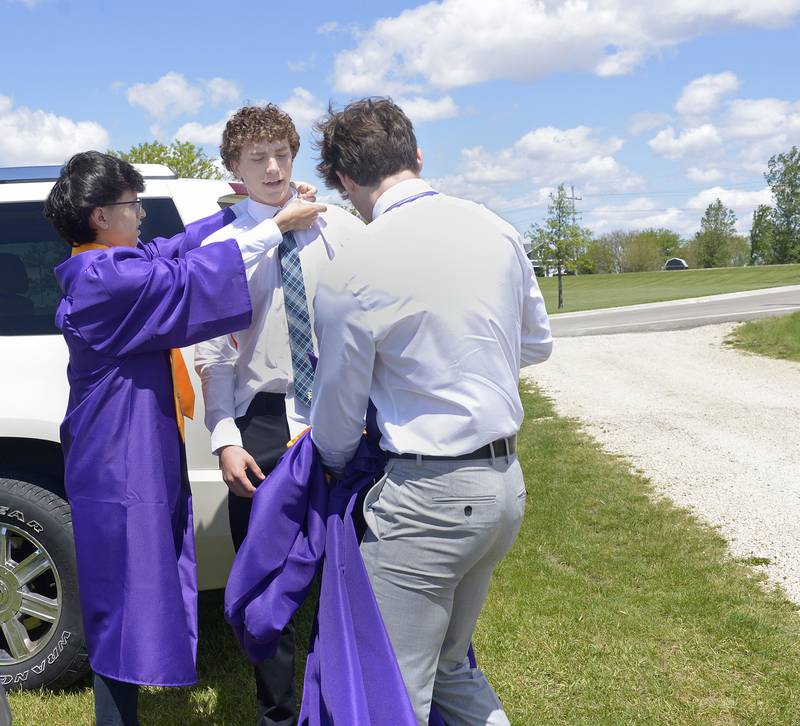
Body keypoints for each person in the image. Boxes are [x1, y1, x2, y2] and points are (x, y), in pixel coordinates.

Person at [46, 150, 323, 726]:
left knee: (134, 588)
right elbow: (186, 275)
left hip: (133, 452)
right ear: (101, 215)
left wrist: (243, 208)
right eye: (133, 204)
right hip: (118, 463)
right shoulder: (101, 279)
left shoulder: (111, 262)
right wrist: (273, 227)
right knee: (119, 596)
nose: (142, 214)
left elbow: (175, 247)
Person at [310, 98, 553, 726]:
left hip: (429, 495)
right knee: (449, 668)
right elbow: (536, 345)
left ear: (341, 180)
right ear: (417, 156)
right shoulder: (496, 229)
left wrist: (333, 465)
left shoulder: (354, 265)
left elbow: (336, 414)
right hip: (504, 486)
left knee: (393, 687)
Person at [194, 104, 363, 726]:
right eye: (256, 157)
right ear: (233, 168)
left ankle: (344, 700)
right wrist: (223, 437)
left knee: (348, 571)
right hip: (263, 420)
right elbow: (212, 357)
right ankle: (279, 714)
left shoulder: (335, 230)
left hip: (338, 410)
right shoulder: (222, 246)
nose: (272, 168)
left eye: (282, 155)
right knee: (269, 586)